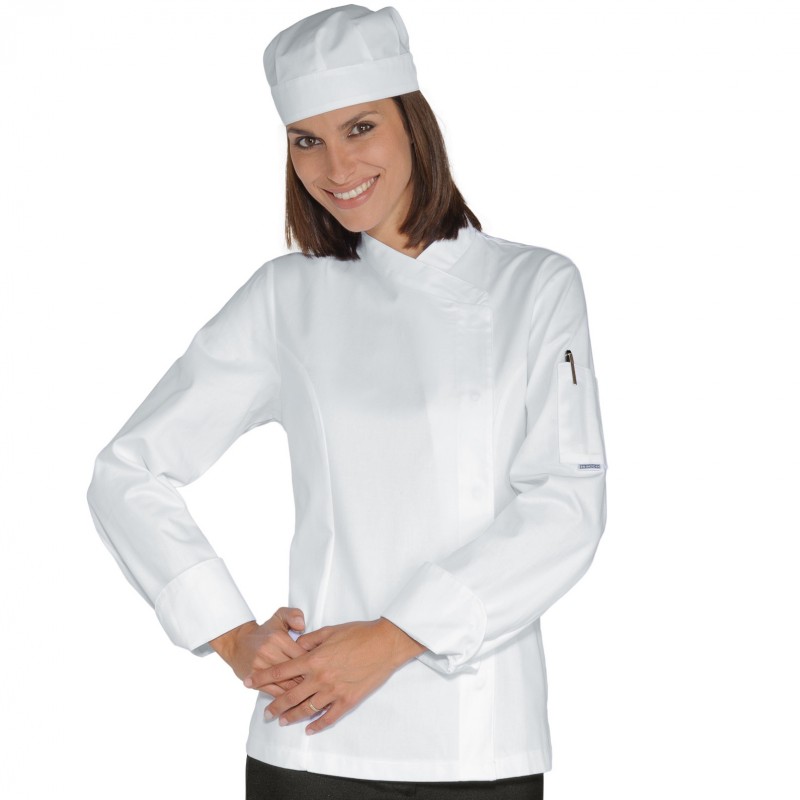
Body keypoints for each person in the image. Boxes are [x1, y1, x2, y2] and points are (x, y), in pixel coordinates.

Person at [86, 5, 608, 799]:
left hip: (478, 739)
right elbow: (127, 471)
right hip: (311, 743)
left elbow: (568, 503)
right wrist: (229, 633)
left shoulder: (534, 287)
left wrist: (396, 638)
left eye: (360, 128)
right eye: (307, 140)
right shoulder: (286, 299)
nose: (336, 166)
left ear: (414, 125)